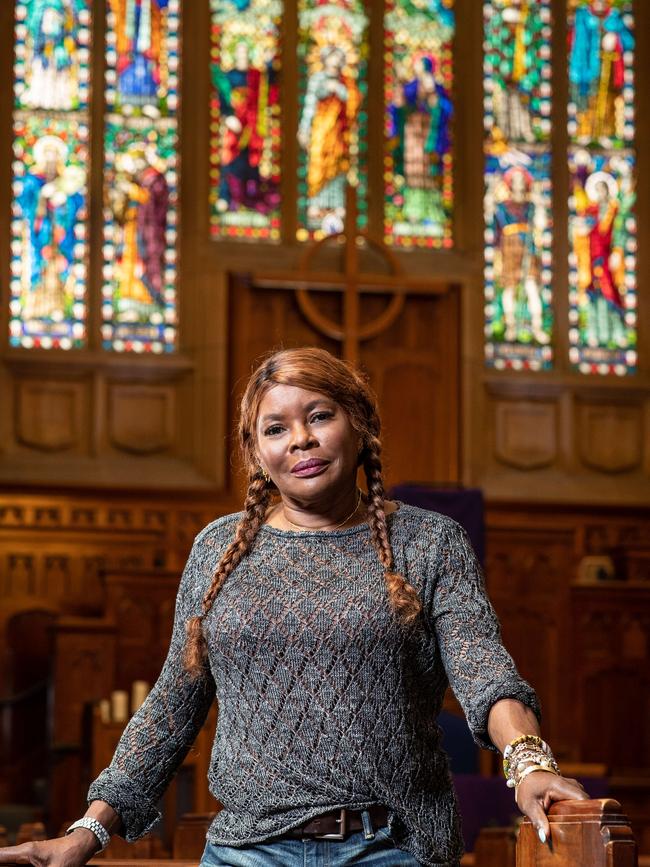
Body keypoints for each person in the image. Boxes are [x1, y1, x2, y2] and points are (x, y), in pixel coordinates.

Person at [0, 347, 587, 867]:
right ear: (255, 451)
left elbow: (484, 670)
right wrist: (89, 830)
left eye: (320, 416)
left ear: (360, 427)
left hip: (390, 848)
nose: (300, 440)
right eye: (275, 428)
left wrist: (529, 763)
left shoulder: (429, 543)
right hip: (243, 853)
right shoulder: (220, 548)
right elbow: (172, 707)